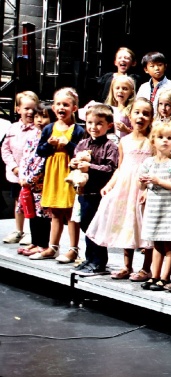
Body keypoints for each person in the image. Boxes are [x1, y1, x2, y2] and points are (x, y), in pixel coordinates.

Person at [85, 97, 154, 281]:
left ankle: (146, 268)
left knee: (145, 227)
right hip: (126, 188)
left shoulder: (152, 141)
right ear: (130, 116)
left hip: (143, 187)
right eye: (137, 113)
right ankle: (127, 265)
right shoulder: (124, 141)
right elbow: (120, 167)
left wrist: (148, 188)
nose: (141, 117)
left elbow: (156, 166)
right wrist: (109, 185)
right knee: (127, 225)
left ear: (151, 118)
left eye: (146, 114)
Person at [29, 88, 85, 261]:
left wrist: (68, 144)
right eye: (58, 104)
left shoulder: (77, 130)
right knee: (55, 213)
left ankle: (73, 249)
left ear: (74, 108)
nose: (61, 108)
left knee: (70, 214)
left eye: (66, 105)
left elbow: (81, 152)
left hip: (68, 174)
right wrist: (50, 145)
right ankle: (52, 247)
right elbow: (40, 151)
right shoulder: (48, 129)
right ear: (53, 107)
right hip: (53, 174)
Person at [69, 104, 119, 277]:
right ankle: (89, 258)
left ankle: (99, 261)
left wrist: (90, 167)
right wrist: (74, 164)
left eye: (99, 123)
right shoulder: (82, 143)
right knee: (85, 224)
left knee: (96, 227)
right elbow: (74, 160)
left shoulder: (110, 146)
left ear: (108, 125)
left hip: (99, 193)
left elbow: (110, 169)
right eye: (90, 123)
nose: (93, 127)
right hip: (84, 192)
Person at [138, 123, 171, 291]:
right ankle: (155, 275)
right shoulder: (148, 162)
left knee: (169, 245)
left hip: (169, 208)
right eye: (161, 137)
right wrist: (143, 183)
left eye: (169, 138)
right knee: (156, 244)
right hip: (154, 208)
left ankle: (165, 277)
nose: (165, 141)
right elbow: (141, 186)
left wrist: (158, 181)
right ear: (153, 141)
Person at [16, 101, 54, 257]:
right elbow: (25, 156)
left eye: (44, 117)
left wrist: (32, 178)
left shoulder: (49, 137)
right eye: (37, 116)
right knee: (30, 213)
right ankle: (35, 241)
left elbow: (43, 161)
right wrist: (22, 175)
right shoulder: (32, 134)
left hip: (41, 182)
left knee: (42, 215)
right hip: (27, 181)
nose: (39, 120)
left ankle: (43, 244)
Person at [2, 90, 39, 245]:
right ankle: (19, 230)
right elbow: (6, 149)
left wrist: (29, 171)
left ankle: (32, 232)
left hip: (32, 175)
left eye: (33, 109)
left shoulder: (39, 130)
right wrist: (14, 167)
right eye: (26, 108)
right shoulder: (12, 128)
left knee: (33, 202)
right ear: (18, 109)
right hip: (16, 173)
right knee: (19, 200)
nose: (30, 112)